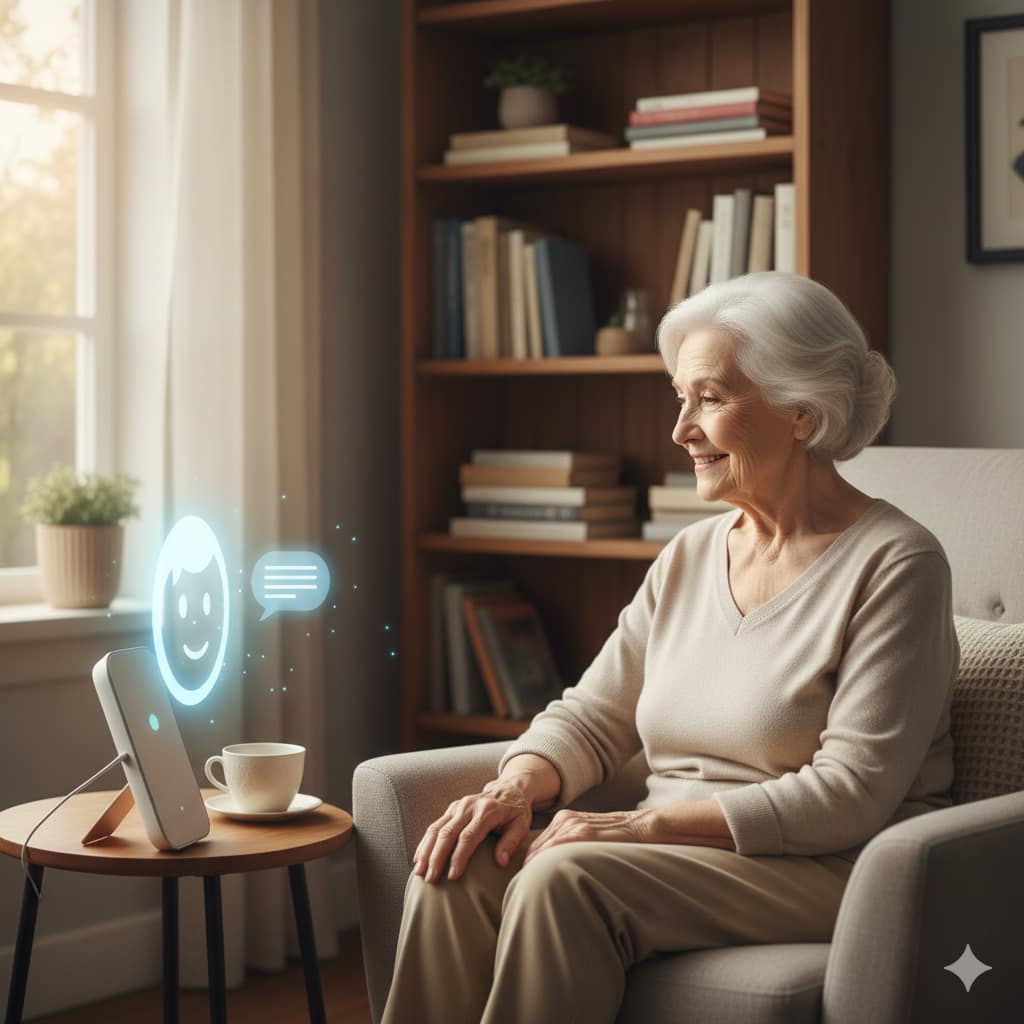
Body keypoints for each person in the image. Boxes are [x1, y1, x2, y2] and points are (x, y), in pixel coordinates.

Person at [381, 271, 959, 1024]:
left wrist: (641, 824)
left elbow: (849, 794)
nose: (681, 429)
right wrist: (511, 790)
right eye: (680, 399)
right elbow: (592, 716)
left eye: (710, 399)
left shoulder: (897, 563)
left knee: (566, 881)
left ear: (802, 414)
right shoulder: (690, 554)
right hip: (669, 857)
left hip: (831, 864)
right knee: (454, 870)